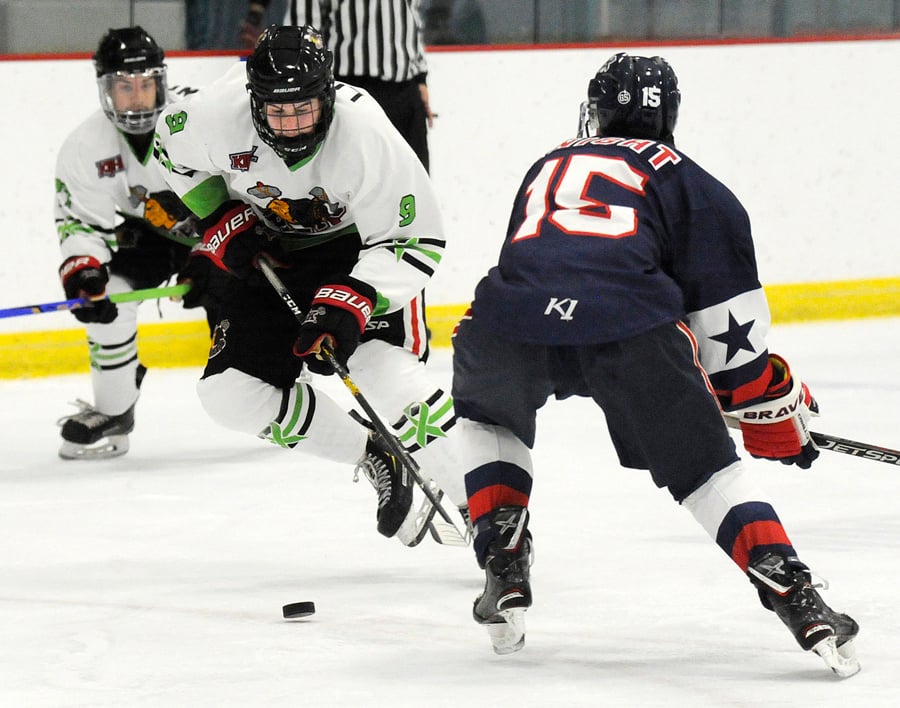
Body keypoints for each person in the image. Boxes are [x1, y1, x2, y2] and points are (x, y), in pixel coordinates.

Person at [450, 52, 860, 676]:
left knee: (488, 418)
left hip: (507, 323)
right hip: (628, 330)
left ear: (597, 108)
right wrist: (773, 404)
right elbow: (732, 354)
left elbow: (549, 266)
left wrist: (761, 401)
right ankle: (799, 599)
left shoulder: (550, 161)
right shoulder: (698, 188)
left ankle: (503, 560)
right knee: (704, 473)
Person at [153, 25, 465, 543]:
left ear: (328, 94)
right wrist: (223, 217)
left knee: (383, 373)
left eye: (305, 109)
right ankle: (372, 452)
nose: (293, 125)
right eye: (278, 111)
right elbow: (170, 149)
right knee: (229, 395)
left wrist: (349, 304)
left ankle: (486, 511)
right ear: (254, 100)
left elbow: (417, 239)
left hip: (359, 251)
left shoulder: (365, 129)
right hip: (274, 253)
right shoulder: (213, 115)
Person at [54, 26, 225, 461]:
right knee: (107, 295)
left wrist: (213, 249)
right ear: (104, 89)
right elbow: (80, 222)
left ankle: (275, 383)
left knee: (243, 351)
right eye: (124, 86)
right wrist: (83, 267)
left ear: (161, 82)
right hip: (147, 236)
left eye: (146, 84)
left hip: (222, 231)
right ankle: (114, 410)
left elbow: (245, 187)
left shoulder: (199, 116)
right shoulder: (84, 146)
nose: (137, 97)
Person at [239, 1, 435, 172]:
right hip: (348, 89)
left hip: (404, 90)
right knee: (349, 184)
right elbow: (301, 31)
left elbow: (410, 20)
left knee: (412, 180)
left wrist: (419, 78)